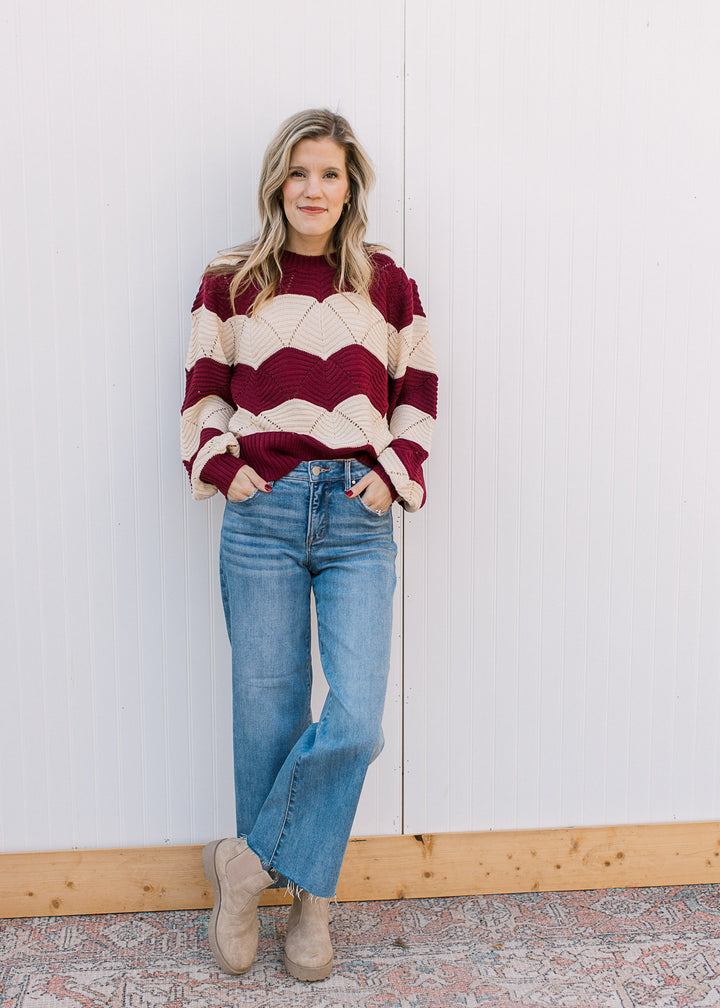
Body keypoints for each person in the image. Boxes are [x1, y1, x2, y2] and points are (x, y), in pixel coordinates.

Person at [180, 108, 438, 982]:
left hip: (359, 516)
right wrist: (224, 464)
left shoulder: (387, 283)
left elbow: (419, 391)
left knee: (356, 718)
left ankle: (249, 868)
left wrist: (394, 469)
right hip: (262, 509)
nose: (313, 190)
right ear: (276, 184)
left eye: (329, 174)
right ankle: (303, 910)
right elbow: (204, 393)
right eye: (299, 174)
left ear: (350, 186)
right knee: (268, 713)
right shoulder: (230, 280)